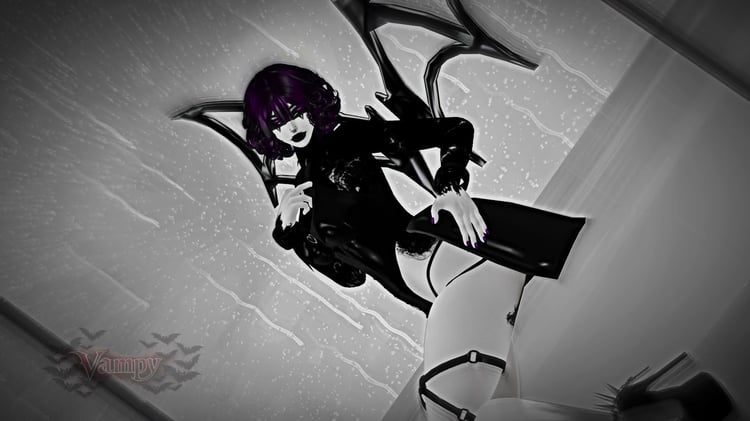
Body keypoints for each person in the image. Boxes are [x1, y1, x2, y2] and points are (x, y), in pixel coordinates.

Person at [241, 63, 488, 315]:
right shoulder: (301, 193)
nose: (292, 128)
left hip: (436, 260)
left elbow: (456, 129)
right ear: (267, 131)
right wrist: (289, 233)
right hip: (426, 300)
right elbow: (351, 277)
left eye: (296, 112)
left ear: (311, 103)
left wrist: (450, 186)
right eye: (278, 123)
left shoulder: (346, 138)